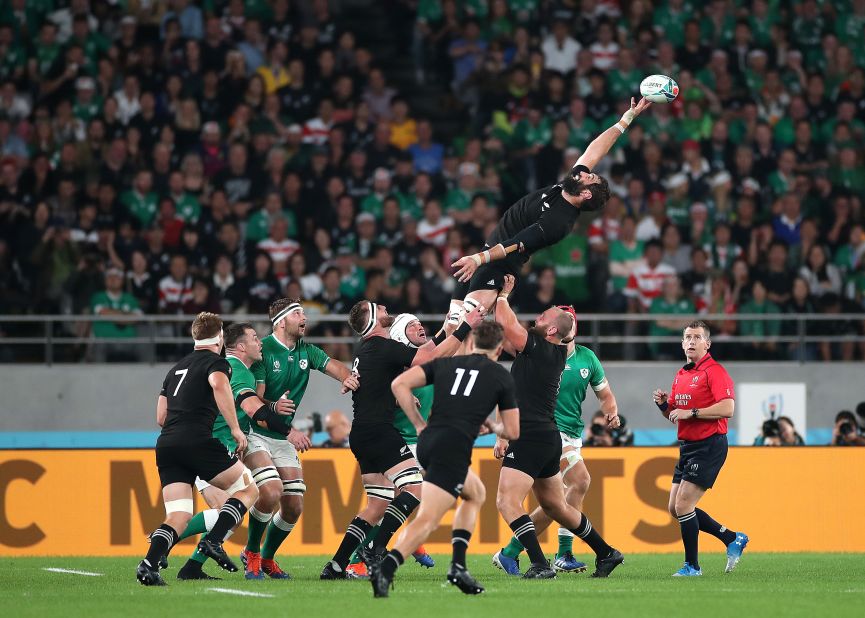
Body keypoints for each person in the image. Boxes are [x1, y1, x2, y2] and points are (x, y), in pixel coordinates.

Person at [320, 300, 486, 579]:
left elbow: (390, 378)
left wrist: (448, 327)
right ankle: (374, 547)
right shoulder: (383, 347)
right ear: (373, 320)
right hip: (379, 431)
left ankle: (336, 564)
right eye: (380, 308)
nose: (386, 308)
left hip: (362, 432)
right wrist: (465, 325)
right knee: (414, 488)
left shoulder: (369, 350)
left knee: (376, 505)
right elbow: (427, 358)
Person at [448, 97, 652, 321]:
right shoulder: (569, 184)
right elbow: (595, 150)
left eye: (588, 176)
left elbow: (512, 245)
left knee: (463, 327)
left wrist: (477, 259)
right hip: (487, 256)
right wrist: (626, 119)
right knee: (450, 328)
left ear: (586, 193)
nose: (583, 171)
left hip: (499, 265)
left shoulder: (559, 222)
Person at [370, 322, 520, 597]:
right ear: (500, 349)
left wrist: (417, 423)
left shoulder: (446, 364)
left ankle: (458, 567)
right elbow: (513, 431)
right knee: (427, 519)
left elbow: (399, 384)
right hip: (452, 447)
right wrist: (494, 427)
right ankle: (386, 568)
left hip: (429, 442)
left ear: (472, 342)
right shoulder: (501, 377)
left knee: (475, 493)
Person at [492, 276, 624, 579]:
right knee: (556, 506)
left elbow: (505, 321)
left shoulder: (537, 345)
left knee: (506, 500)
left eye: (544, 316)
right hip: (548, 437)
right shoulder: (550, 351)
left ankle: (538, 563)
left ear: (552, 330)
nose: (538, 317)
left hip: (529, 434)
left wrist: (503, 295)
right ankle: (606, 552)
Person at [240, 298, 360, 580]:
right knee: (270, 492)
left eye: (304, 312)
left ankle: (267, 559)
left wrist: (349, 379)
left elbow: (336, 367)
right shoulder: (263, 350)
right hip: (257, 432)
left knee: (293, 506)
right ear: (282, 321)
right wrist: (285, 423)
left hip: (282, 435)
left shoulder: (307, 351)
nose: (304, 317)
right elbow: (255, 404)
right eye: (297, 313)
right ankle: (252, 553)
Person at [136, 313, 258, 586]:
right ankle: (214, 542)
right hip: (197, 440)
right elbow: (218, 384)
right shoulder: (217, 363)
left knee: (178, 515)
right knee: (249, 489)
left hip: (167, 444)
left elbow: (160, 416)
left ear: (194, 336)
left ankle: (149, 565)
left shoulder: (176, 368)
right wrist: (236, 429)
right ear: (220, 337)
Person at [174, 321, 296, 580]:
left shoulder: (239, 370)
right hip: (210, 449)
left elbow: (250, 404)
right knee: (227, 512)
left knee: (231, 513)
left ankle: (191, 566)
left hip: (218, 447)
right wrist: (289, 431)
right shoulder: (235, 370)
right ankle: (165, 538)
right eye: (254, 338)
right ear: (240, 346)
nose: (259, 342)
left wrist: (271, 407)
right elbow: (251, 408)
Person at [651, 320, 749, 577]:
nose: (692, 341)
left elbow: (728, 408)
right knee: (675, 508)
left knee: (684, 506)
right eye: (687, 337)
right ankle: (731, 538)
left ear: (707, 343)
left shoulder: (714, 371)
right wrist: (664, 406)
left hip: (709, 444)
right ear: (682, 343)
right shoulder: (682, 374)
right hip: (688, 446)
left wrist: (692, 412)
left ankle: (692, 566)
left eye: (697, 337)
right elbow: (676, 415)